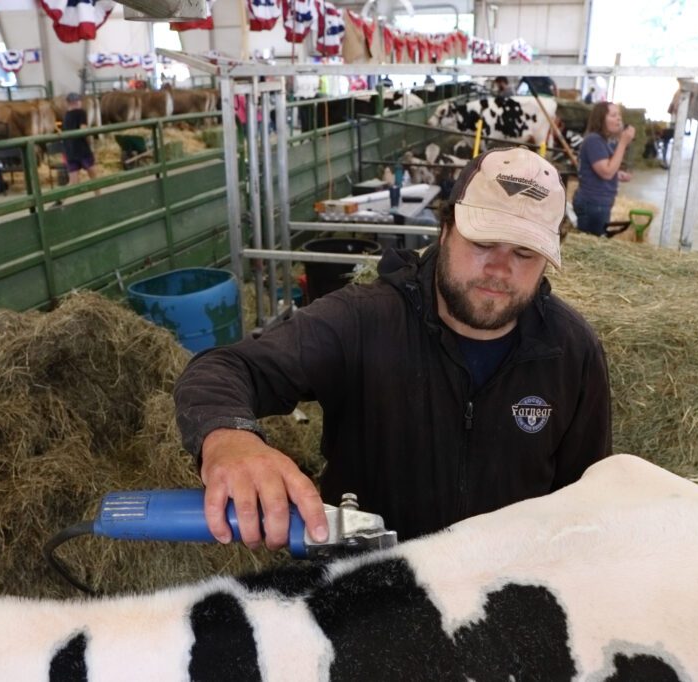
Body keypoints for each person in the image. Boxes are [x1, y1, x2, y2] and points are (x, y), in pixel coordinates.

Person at [174, 147, 613, 550]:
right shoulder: (362, 321)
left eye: (524, 252)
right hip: (370, 591)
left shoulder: (571, 352)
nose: (499, 269)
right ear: (445, 231)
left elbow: (587, 495)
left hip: (499, 595)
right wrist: (230, 439)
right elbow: (225, 368)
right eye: (481, 243)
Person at [572, 102, 636, 237]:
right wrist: (623, 143)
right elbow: (606, 172)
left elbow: (603, 168)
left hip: (600, 203)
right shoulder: (594, 140)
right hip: (592, 203)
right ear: (601, 119)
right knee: (591, 244)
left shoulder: (605, 141)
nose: (619, 118)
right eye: (613, 115)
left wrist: (617, 174)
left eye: (619, 115)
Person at [61, 93, 99, 189]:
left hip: (69, 151)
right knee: (94, 176)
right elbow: (83, 130)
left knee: (73, 182)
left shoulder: (66, 115)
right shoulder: (81, 113)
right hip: (82, 150)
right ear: (76, 102)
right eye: (79, 101)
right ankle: (100, 197)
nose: (80, 102)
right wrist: (90, 143)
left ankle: (60, 200)